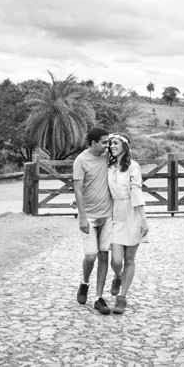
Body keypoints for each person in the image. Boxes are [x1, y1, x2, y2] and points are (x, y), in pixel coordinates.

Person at [72, 126, 114, 315]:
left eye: (108, 142)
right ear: (93, 142)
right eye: (104, 142)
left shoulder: (108, 156)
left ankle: (98, 298)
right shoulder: (81, 160)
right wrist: (81, 217)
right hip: (88, 215)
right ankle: (85, 282)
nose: (107, 145)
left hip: (107, 214)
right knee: (91, 256)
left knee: (104, 255)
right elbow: (78, 189)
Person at [106, 134, 149, 315]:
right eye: (110, 144)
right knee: (116, 260)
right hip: (116, 212)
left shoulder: (133, 166)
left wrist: (143, 218)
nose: (112, 146)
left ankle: (122, 298)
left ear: (124, 145)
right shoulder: (108, 166)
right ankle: (117, 276)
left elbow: (136, 190)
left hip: (132, 212)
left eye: (115, 143)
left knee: (129, 259)